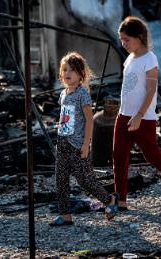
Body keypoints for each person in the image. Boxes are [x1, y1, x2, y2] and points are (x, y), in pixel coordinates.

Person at [113, 16, 161, 210]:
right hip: (123, 115)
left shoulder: (150, 59)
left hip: (143, 118)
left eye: (127, 40)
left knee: (152, 156)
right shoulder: (130, 58)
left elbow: (150, 90)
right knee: (118, 156)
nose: (123, 44)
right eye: (121, 40)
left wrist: (139, 115)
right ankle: (120, 200)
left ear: (139, 37)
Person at [50, 52, 118, 226]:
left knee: (85, 180)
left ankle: (109, 200)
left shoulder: (82, 94)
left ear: (81, 73)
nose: (67, 73)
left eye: (72, 70)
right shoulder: (64, 94)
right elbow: (64, 117)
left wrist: (86, 144)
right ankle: (65, 216)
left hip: (78, 144)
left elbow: (89, 119)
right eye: (65, 69)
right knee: (61, 180)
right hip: (63, 142)